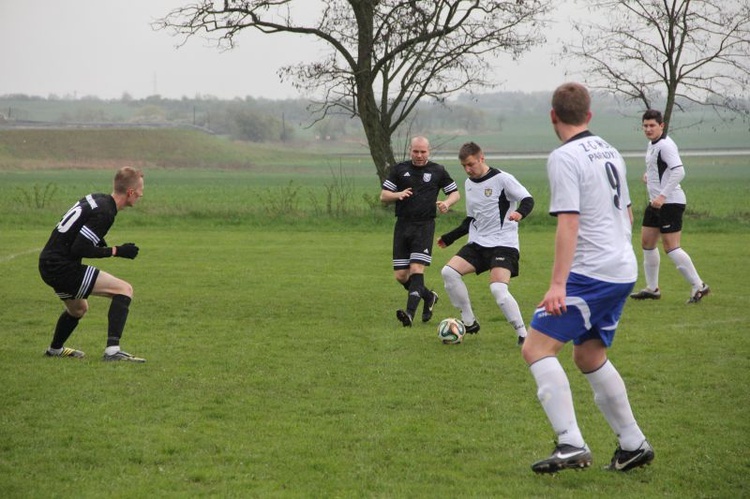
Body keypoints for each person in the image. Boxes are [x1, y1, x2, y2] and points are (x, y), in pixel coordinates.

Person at [521, 83, 653, 474]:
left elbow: (569, 222)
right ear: (589, 116)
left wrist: (559, 284)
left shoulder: (564, 157)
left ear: (552, 116)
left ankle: (571, 443)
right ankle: (633, 445)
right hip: (622, 268)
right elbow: (627, 215)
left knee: (536, 348)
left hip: (592, 273)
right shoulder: (610, 150)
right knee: (589, 354)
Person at [39, 166, 146, 362]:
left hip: (47, 263)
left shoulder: (97, 199)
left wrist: (98, 240)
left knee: (78, 309)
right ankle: (113, 352)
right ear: (130, 192)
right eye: (139, 194)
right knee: (124, 289)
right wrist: (117, 251)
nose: (140, 196)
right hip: (62, 267)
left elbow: (78, 229)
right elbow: (79, 249)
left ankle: (55, 350)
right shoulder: (106, 212)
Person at [437, 142, 534, 345]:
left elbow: (527, 199)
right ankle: (469, 321)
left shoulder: (503, 179)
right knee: (448, 272)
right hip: (478, 243)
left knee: (498, 290)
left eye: (471, 164)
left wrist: (519, 213)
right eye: (464, 166)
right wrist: (450, 237)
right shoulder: (469, 183)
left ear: (482, 158)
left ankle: (523, 335)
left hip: (503, 244)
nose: (467, 169)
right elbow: (472, 218)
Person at [630, 109, 710, 304]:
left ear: (661, 126)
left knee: (671, 247)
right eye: (645, 126)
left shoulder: (666, 145)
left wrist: (663, 195)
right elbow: (660, 169)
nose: (648, 129)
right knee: (647, 243)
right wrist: (649, 176)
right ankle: (652, 288)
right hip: (655, 203)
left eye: (652, 126)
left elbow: (679, 171)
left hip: (670, 202)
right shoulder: (652, 144)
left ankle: (699, 286)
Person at [380, 136, 460, 327]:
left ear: (428, 151)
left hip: (424, 226)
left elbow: (455, 193)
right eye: (416, 151)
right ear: (410, 150)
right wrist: (398, 194)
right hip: (402, 225)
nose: (419, 155)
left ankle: (409, 314)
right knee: (401, 276)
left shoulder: (438, 170)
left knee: (416, 269)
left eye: (423, 151)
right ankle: (429, 296)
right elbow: (383, 196)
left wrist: (447, 203)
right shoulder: (400, 169)